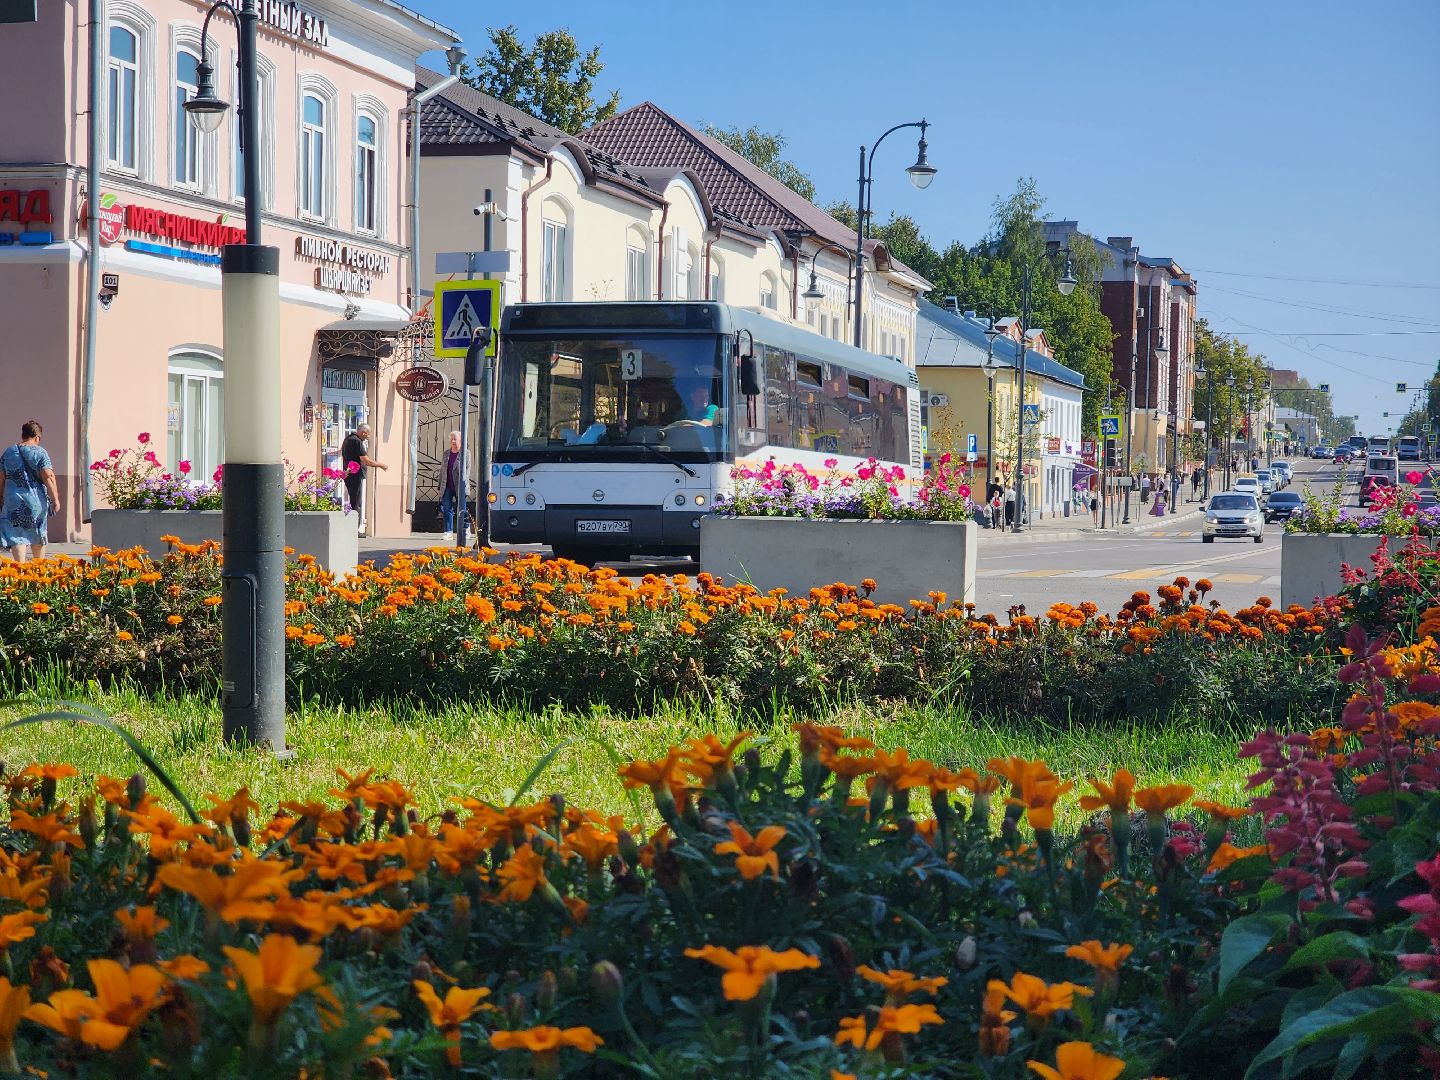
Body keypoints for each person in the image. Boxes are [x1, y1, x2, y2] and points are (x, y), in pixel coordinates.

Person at [0, 420, 59, 562]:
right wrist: (55, 498)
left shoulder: (9, 452)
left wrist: (1, 497)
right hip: (36, 501)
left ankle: (20, 571)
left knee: (17, 536)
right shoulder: (40, 452)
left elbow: (1, 477)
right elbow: (48, 476)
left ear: (23, 435)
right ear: (38, 437)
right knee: (38, 534)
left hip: (13, 501)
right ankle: (38, 569)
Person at [341, 422, 387, 537]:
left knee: (353, 501)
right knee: (356, 502)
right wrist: (381, 465)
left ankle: (351, 528)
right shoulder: (357, 441)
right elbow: (366, 460)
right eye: (368, 434)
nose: (368, 437)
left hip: (349, 474)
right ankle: (354, 530)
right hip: (355, 475)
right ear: (363, 432)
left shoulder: (348, 439)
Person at [439, 430, 461, 536]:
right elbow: (442, 470)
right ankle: (448, 531)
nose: (453, 441)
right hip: (447, 485)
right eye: (451, 439)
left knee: (462, 509)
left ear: (460, 440)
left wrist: (464, 485)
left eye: (455, 439)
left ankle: (465, 529)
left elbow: (466, 470)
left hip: (459, 486)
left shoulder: (465, 453)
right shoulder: (446, 453)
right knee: (447, 509)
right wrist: (440, 485)